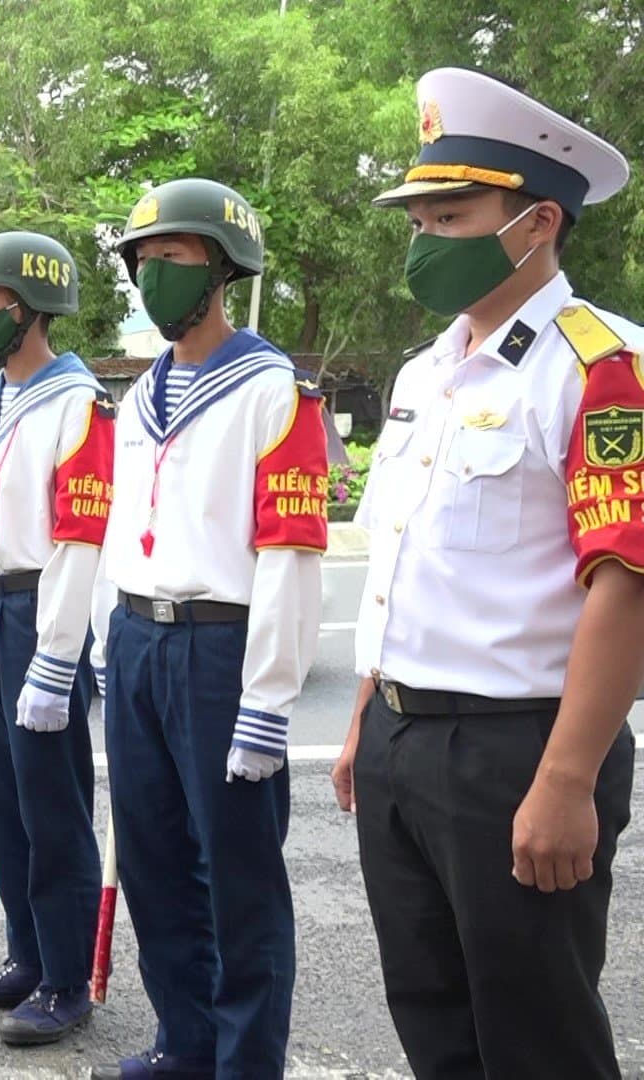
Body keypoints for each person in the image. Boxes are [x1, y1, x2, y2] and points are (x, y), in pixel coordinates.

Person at [336, 67, 640, 1080]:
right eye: (417, 218)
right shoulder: (427, 373)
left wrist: (566, 780)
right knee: (433, 1016)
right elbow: (404, 560)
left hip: (519, 748)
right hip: (402, 740)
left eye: (450, 215)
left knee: (536, 1033)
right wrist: (367, 715)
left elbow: (626, 584)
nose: (423, 240)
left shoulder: (599, 369)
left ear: (539, 221)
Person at [87, 178, 329, 1079]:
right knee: (152, 863)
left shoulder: (274, 391)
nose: (153, 278)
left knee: (239, 881)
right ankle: (185, 1041)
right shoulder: (142, 392)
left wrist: (270, 695)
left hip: (221, 647)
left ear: (221, 269)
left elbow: (291, 554)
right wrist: (114, 641)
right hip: (142, 637)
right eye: (143, 262)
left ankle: (245, 1062)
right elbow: (122, 526)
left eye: (173, 260)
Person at [0, 231, 112, 1047]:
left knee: (53, 806)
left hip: (40, 613)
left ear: (29, 307)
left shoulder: (79, 405)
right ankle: (25, 953)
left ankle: (66, 979)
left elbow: (79, 539)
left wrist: (55, 658)